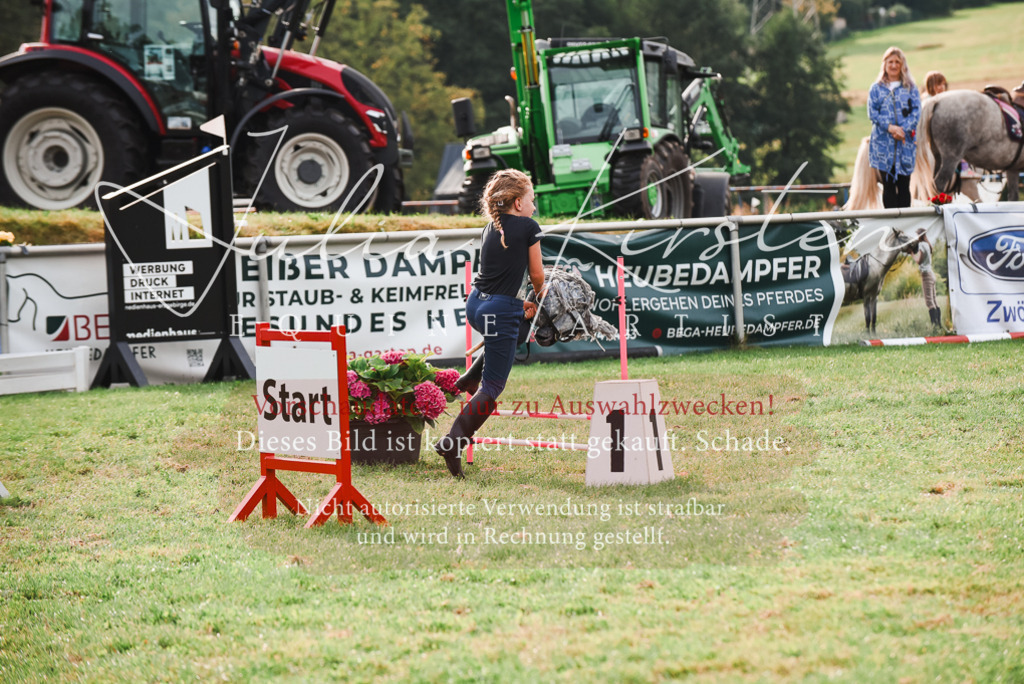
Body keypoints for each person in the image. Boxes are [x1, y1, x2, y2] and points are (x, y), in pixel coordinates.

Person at [433, 170, 546, 478]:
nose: (534, 207)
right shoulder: (528, 226)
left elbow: (499, 277)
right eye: (533, 200)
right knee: (493, 387)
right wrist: (541, 297)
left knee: (518, 332)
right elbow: (537, 275)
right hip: (498, 310)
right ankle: (453, 441)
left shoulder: (489, 228)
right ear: (519, 202)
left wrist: (516, 304)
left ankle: (470, 376)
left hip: (477, 304)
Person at [868, 47, 921, 209]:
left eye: (897, 62)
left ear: (902, 65)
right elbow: (872, 112)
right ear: (884, 64)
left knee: (904, 185)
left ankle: (905, 225)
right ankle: (891, 225)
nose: (893, 65)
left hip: (905, 145)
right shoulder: (876, 89)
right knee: (888, 185)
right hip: (884, 145)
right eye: (890, 62)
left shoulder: (910, 88)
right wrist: (891, 128)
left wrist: (902, 130)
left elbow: (916, 111)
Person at [907, 228, 942, 330]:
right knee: (934, 301)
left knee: (929, 302)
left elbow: (919, 261)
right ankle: (938, 325)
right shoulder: (927, 244)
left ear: (919, 235)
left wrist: (911, 254)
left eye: (917, 234)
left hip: (926, 275)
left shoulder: (922, 245)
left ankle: (935, 326)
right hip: (931, 273)